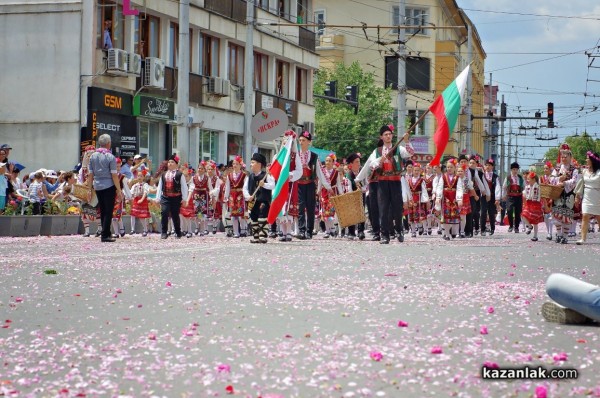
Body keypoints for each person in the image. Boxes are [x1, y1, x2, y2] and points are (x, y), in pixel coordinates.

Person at [367, 124, 414, 244]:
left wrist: (407, 141)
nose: (388, 136)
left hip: (395, 181)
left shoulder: (398, 148)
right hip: (382, 182)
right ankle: (385, 235)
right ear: (381, 137)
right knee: (383, 208)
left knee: (397, 208)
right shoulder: (377, 151)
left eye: (389, 134)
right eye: (385, 135)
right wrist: (380, 160)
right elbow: (371, 164)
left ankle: (399, 230)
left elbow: (410, 153)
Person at [87, 134, 122, 242]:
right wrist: (119, 189)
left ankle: (106, 232)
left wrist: (89, 188)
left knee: (102, 210)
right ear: (108, 143)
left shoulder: (93, 156)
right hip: (109, 186)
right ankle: (105, 235)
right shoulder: (110, 157)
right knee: (108, 210)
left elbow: (90, 174)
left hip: (97, 185)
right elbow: (114, 175)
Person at [296, 131, 330, 240]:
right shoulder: (295, 154)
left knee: (310, 208)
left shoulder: (314, 156)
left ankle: (309, 231)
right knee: (300, 208)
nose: (301, 142)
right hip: (299, 184)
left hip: (310, 184)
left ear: (309, 142)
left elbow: (320, 172)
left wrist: (327, 186)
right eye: (300, 140)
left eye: (303, 140)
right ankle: (301, 230)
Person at [551, 144, 580, 244]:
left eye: (565, 156)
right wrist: (559, 179)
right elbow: (551, 179)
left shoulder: (574, 169)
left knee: (567, 216)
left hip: (568, 194)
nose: (563, 158)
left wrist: (565, 183)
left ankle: (565, 236)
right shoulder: (557, 168)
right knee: (556, 215)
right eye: (562, 156)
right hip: (558, 193)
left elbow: (575, 181)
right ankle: (559, 234)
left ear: (570, 157)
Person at [244, 153, 275, 243]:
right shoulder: (249, 177)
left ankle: (263, 235)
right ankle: (256, 236)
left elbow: (272, 185)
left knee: (262, 216)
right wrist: (247, 196)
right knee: (254, 217)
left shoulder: (266, 175)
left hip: (263, 201)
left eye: (253, 162)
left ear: (259, 164)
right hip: (253, 202)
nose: (251, 164)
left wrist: (264, 184)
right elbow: (245, 188)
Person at [155, 154, 188, 239]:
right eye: (169, 162)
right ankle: (164, 232)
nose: (170, 163)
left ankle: (177, 231)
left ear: (176, 164)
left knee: (175, 215)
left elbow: (184, 187)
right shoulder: (164, 174)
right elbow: (160, 186)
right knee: (164, 212)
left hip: (176, 198)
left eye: (172, 162)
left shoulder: (180, 174)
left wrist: (184, 199)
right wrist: (157, 198)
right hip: (165, 197)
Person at [435, 158, 464, 241]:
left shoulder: (457, 178)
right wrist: (438, 197)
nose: (449, 169)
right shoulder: (443, 177)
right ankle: (447, 234)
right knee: (446, 217)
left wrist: (459, 199)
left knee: (454, 216)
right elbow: (440, 187)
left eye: (451, 167)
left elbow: (459, 189)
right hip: (446, 199)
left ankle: (454, 232)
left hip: (454, 199)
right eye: (448, 167)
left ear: (455, 168)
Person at [574, 151, 600, 245]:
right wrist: (577, 196)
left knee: (598, 217)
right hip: (586, 197)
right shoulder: (584, 171)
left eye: (587, 158)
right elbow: (580, 184)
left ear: (592, 160)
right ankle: (583, 238)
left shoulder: (599, 172)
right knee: (585, 216)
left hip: (597, 197)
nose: (586, 160)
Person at [318, 153, 343, 238]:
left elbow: (339, 184)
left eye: (329, 161)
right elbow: (320, 182)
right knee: (325, 212)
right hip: (324, 193)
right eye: (326, 161)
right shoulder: (322, 171)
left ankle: (332, 228)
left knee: (331, 212)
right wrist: (318, 190)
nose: (327, 162)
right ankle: (328, 230)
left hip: (333, 192)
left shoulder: (336, 172)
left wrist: (341, 194)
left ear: (333, 162)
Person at [345, 152, 366, 240]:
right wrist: (354, 194)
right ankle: (351, 232)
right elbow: (348, 187)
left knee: (361, 211)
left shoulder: (362, 172)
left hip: (362, 195)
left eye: (359, 161)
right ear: (351, 164)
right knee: (352, 213)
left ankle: (361, 231)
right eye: (356, 162)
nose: (359, 163)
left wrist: (362, 189)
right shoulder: (349, 175)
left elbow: (366, 184)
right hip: (352, 196)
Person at [224, 156, 247, 238]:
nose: (235, 165)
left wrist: (246, 196)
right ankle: (236, 232)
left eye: (237, 164)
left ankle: (243, 230)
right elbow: (227, 187)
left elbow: (245, 187)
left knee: (241, 214)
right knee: (233, 215)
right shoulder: (229, 175)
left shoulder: (244, 175)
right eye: (233, 164)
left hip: (241, 196)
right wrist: (226, 197)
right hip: (232, 197)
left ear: (240, 165)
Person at [521, 172, 544, 241]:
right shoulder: (527, 187)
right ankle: (530, 226)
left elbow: (539, 195)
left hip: (535, 203)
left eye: (529, 179)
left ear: (533, 179)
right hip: (528, 203)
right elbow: (524, 193)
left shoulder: (537, 186)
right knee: (523, 215)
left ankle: (535, 236)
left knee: (535, 221)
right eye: (527, 179)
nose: (527, 180)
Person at [502, 162, 524, 234]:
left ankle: (516, 227)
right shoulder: (508, 178)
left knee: (518, 212)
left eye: (516, 169)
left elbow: (524, 187)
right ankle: (511, 225)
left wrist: (523, 194)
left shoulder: (520, 178)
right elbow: (504, 187)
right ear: (511, 170)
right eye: (513, 169)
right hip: (510, 196)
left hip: (518, 196)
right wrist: (504, 195)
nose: (515, 171)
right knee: (509, 210)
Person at [482, 159, 501, 236]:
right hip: (483, 196)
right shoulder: (482, 175)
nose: (488, 167)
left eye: (490, 165)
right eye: (486, 165)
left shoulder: (495, 176)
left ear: (492, 167)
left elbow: (498, 187)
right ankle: (482, 229)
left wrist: (497, 198)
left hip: (492, 197)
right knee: (483, 212)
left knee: (491, 213)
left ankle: (492, 228)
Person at [129, 171, 151, 236]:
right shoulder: (135, 185)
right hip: (136, 200)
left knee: (142, 216)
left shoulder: (145, 185)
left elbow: (145, 192)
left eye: (141, 176)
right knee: (133, 214)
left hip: (142, 200)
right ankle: (132, 229)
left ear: (143, 177)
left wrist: (141, 199)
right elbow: (131, 193)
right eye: (138, 176)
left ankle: (145, 229)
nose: (139, 177)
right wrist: (129, 198)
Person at [540, 161, 555, 240]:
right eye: (544, 168)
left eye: (547, 168)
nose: (545, 170)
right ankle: (548, 231)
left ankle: (550, 232)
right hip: (544, 199)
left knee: (551, 216)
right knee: (546, 216)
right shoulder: (541, 178)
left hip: (551, 198)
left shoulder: (553, 177)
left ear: (550, 169)